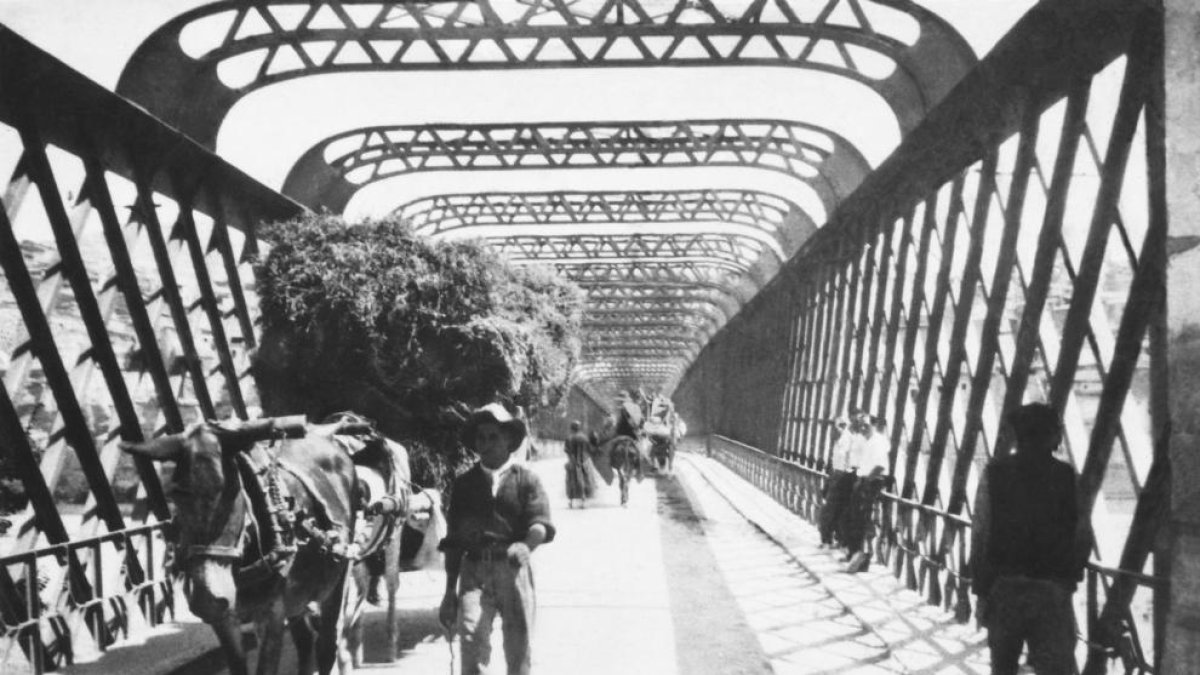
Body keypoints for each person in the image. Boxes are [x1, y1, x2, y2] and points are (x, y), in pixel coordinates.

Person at [439, 403, 556, 675]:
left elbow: (540, 522)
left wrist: (526, 546)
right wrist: (448, 592)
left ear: (509, 440)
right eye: (481, 438)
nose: (486, 443)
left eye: (494, 436)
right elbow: (454, 541)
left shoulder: (527, 480)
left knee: (518, 651)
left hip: (513, 570)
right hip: (474, 572)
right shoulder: (464, 484)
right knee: (470, 643)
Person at [970, 403, 1086, 675]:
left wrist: (979, 591)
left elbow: (980, 533)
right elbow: (1082, 536)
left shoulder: (994, 473)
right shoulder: (1066, 476)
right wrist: (1070, 579)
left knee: (1004, 667)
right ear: (1052, 436)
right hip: (1051, 590)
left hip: (1005, 588)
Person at [843, 415, 890, 573]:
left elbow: (880, 466)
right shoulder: (867, 441)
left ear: (875, 425)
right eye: (861, 425)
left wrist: (866, 482)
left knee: (862, 519)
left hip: (872, 481)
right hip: (863, 480)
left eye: (866, 426)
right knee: (853, 517)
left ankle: (861, 559)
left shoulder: (879, 441)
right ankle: (855, 555)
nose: (863, 428)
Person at [818, 412, 858, 548]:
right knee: (838, 510)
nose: (840, 427)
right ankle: (837, 540)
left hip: (841, 476)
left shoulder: (846, 438)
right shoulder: (846, 438)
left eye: (842, 424)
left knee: (830, 509)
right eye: (838, 425)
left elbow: (845, 459)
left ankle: (828, 540)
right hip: (841, 475)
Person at [564, 420, 595, 508]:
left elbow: (566, 450)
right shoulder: (584, 437)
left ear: (572, 428)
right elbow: (589, 449)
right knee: (586, 479)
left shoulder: (569, 438)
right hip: (584, 461)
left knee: (571, 480)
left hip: (573, 462)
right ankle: (583, 499)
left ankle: (570, 501)